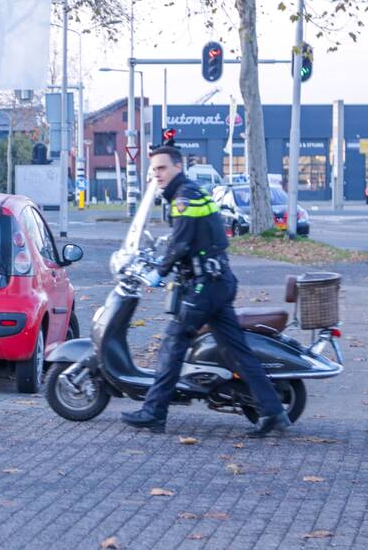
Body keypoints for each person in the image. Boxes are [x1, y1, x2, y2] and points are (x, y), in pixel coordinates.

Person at [120, 146, 292, 438]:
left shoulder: (184, 198)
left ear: (177, 166)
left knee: (173, 344)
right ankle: (273, 410)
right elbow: (193, 238)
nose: (156, 175)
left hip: (203, 288)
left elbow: (181, 243)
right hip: (218, 281)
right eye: (154, 170)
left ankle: (153, 412)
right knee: (237, 351)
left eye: (161, 168)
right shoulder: (194, 192)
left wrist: (158, 272)